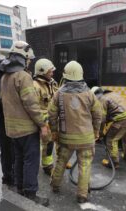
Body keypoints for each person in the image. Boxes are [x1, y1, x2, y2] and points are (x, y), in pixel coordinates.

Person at [0, 41, 49, 207]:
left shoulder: (5, 76)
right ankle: (30, 193)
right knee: (31, 161)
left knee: (19, 159)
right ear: (23, 58)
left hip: (12, 130)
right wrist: (42, 124)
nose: (29, 62)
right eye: (28, 59)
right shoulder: (23, 76)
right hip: (27, 130)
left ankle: (20, 187)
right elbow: (32, 105)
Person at [49, 61, 102, 203]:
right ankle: (82, 194)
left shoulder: (58, 94)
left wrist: (54, 131)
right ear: (81, 75)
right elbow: (98, 114)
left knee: (61, 160)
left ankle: (55, 185)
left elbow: (51, 114)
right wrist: (96, 131)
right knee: (84, 164)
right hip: (86, 138)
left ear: (65, 75)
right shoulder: (89, 94)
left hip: (66, 138)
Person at [91, 86, 126, 169]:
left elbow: (101, 119)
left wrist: (100, 133)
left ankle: (113, 162)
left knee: (111, 139)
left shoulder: (102, 99)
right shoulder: (113, 94)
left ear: (95, 95)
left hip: (124, 120)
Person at [33, 58, 57, 176]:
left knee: (49, 144)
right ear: (42, 72)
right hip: (40, 122)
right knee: (36, 146)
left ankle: (47, 165)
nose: (52, 73)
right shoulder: (35, 86)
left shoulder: (51, 83)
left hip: (49, 121)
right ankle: (40, 166)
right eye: (50, 71)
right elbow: (33, 107)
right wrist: (42, 124)